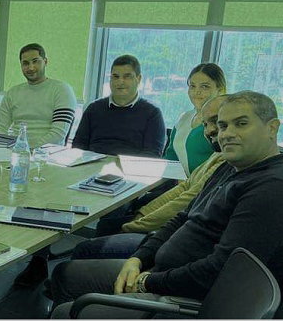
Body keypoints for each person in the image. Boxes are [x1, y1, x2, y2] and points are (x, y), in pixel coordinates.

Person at [49, 91, 283, 318]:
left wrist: (147, 282)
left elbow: (219, 272)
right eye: (222, 126)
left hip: (186, 300)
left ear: (272, 128)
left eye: (241, 124)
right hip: (163, 274)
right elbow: (183, 217)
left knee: (66, 312)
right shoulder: (233, 166)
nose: (227, 134)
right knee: (64, 274)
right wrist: (138, 258)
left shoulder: (275, 190)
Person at [69, 95, 227, 261]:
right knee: (111, 223)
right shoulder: (216, 155)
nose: (209, 130)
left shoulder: (224, 164)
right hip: (173, 226)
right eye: (205, 124)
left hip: (179, 237)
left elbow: (186, 201)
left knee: (87, 247)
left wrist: (134, 225)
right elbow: (183, 188)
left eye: (217, 122)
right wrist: (141, 215)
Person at [72, 55, 166, 157]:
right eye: (115, 77)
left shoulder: (152, 113)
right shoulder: (94, 109)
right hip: (92, 163)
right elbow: (78, 145)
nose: (120, 82)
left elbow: (152, 154)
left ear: (138, 79)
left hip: (130, 166)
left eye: (127, 76)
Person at [0, 43, 76, 147]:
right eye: (25, 63)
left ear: (45, 62)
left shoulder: (62, 90)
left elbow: (57, 135)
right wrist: (4, 147)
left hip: (47, 152)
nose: (31, 68)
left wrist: (26, 149)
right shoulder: (13, 92)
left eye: (35, 61)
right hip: (13, 150)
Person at [164, 63, 226, 175]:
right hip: (179, 182)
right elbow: (171, 157)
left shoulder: (224, 122)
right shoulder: (184, 118)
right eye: (192, 86)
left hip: (208, 183)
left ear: (220, 90)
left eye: (204, 86)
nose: (197, 92)